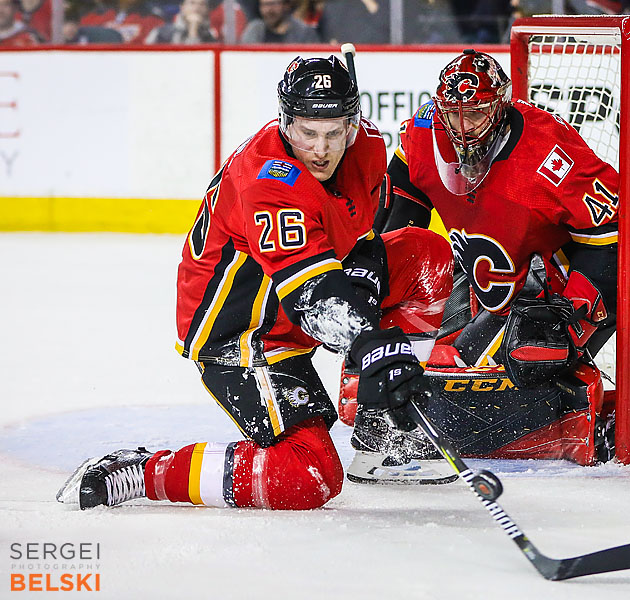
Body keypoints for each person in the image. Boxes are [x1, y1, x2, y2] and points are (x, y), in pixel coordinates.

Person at [57, 54, 454, 510]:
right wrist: (373, 345)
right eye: (307, 133)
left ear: (352, 124)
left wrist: (369, 308)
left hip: (297, 296)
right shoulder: (269, 183)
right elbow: (314, 297)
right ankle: (144, 472)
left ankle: (380, 430)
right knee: (309, 476)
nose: (321, 149)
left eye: (333, 133)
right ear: (285, 123)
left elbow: (357, 238)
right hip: (240, 330)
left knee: (426, 254)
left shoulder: (366, 146)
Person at [343, 50, 630, 480]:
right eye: (453, 115)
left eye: (476, 114)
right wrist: (374, 281)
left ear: (500, 106)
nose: (463, 130)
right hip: (482, 280)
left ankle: (595, 407)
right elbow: (401, 210)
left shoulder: (546, 151)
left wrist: (572, 312)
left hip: (545, 288)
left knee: (510, 364)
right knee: (423, 360)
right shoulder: (424, 132)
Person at [240, 0, 318, 43]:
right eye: (264, 5)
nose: (268, 10)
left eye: (273, 4)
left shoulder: (303, 31)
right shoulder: (254, 29)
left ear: (286, 5)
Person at [146, 0, 218, 43]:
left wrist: (193, 30)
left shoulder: (211, 34)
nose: (197, 7)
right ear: (182, 7)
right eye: (192, 3)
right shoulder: (161, 32)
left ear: (207, 10)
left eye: (202, 4)